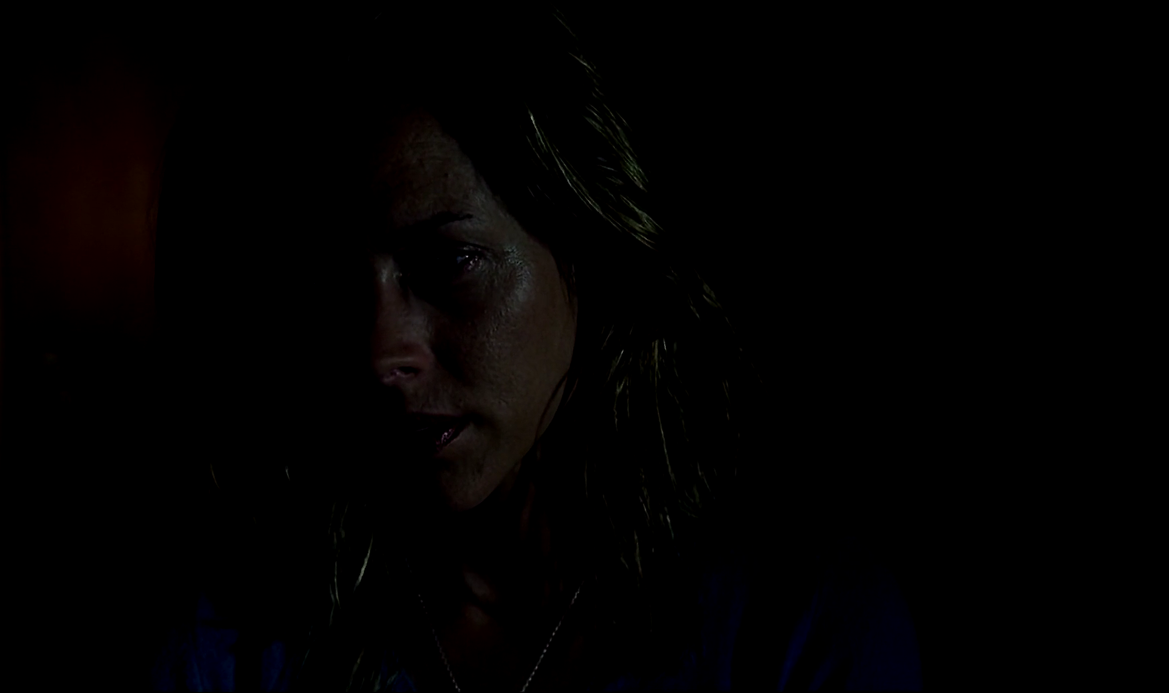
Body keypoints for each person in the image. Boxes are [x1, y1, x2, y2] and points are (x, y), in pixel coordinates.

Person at [149, 7, 921, 691]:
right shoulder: (238, 637)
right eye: (332, 286)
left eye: (450, 262)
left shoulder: (794, 618)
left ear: (585, 247)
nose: (381, 353)